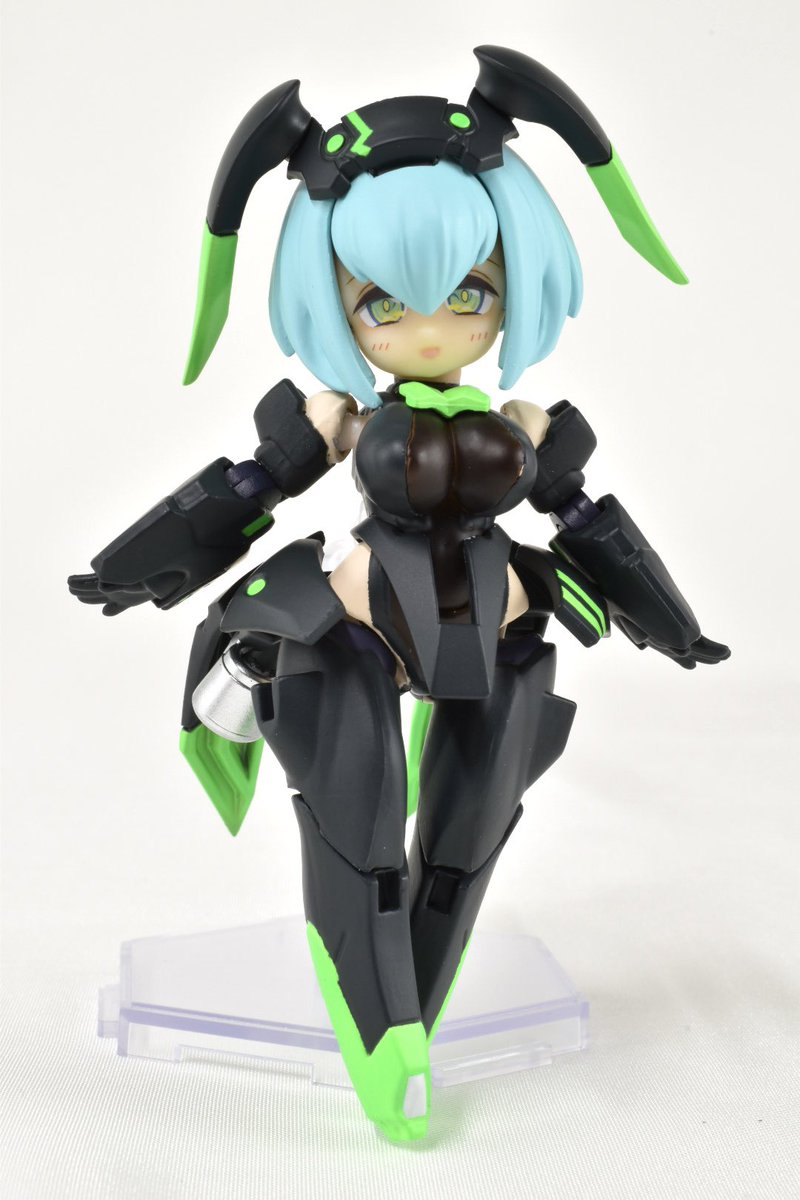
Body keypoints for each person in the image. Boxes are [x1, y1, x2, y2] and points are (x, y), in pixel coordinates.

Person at [68, 46, 729, 1143]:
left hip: (496, 630)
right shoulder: (341, 417)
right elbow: (248, 488)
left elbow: (584, 521)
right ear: (338, 306)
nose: (429, 329)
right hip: (360, 634)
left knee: (465, 843)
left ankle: (412, 1003)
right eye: (382, 301)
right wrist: (141, 561)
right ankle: (386, 1036)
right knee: (361, 835)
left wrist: (672, 625)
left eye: (469, 294)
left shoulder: (524, 426)